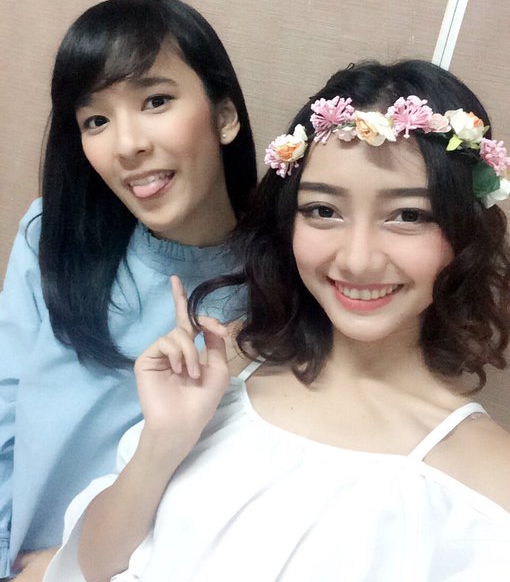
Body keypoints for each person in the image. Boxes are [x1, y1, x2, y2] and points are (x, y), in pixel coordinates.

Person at [45, 60, 510, 582]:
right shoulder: (228, 376)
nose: (357, 260)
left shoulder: (488, 486)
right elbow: (92, 566)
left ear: (465, 231)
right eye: (323, 211)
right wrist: (163, 442)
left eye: (408, 215)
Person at [0, 0, 257, 580]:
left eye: (155, 100)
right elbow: (4, 409)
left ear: (224, 115)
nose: (127, 144)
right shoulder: (52, 240)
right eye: (95, 120)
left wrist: (65, 568)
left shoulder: (280, 286)